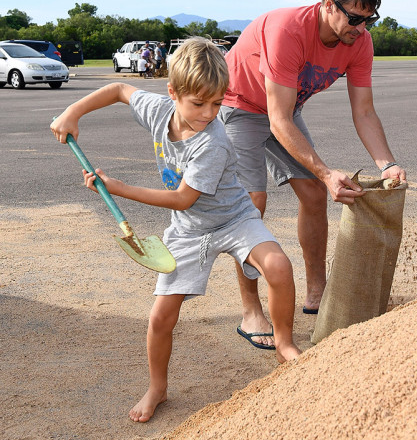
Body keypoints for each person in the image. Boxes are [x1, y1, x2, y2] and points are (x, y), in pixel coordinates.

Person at [50, 37, 301, 423]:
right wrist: (73, 111)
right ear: (173, 93)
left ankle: (284, 343)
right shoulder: (157, 109)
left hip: (235, 218)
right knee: (160, 318)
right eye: (198, 103)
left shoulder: (213, 141)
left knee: (279, 268)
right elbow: (119, 89)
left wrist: (117, 187)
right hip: (188, 232)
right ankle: (157, 387)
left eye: (217, 104)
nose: (208, 113)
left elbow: (183, 198)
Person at [219, 0, 406, 344]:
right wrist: (325, 170)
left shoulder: (359, 42)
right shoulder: (289, 30)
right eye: (355, 17)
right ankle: (251, 310)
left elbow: (365, 111)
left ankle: (317, 291)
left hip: (284, 111)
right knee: (250, 204)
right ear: (328, 5)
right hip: (238, 105)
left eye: (370, 19)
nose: (362, 27)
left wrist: (387, 164)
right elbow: (277, 120)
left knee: (314, 194)